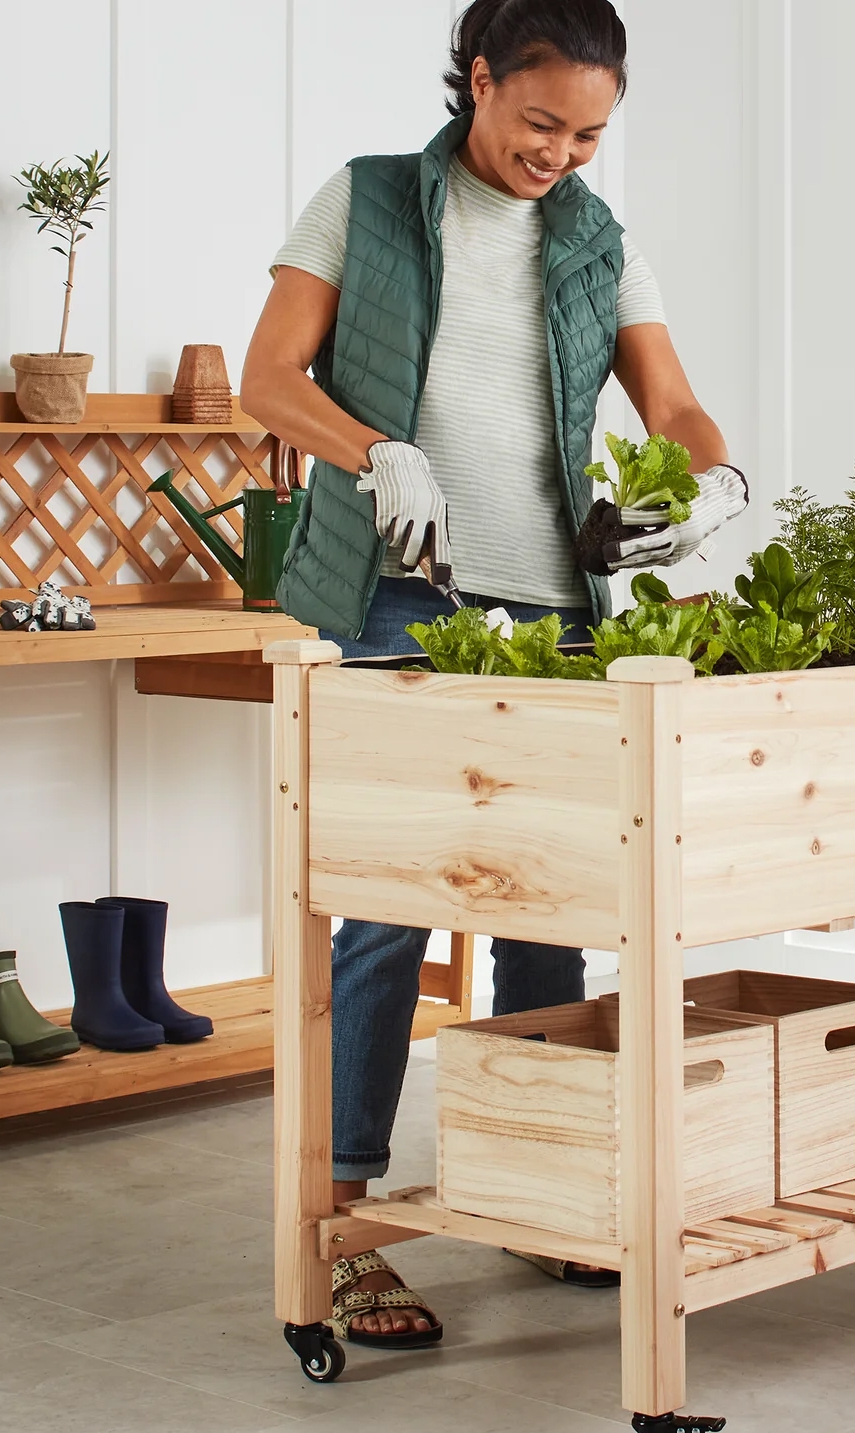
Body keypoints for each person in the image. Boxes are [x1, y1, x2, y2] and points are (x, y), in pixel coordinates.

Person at [241, 0, 747, 1350]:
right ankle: (342, 1223)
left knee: (547, 910)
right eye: (540, 123)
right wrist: (374, 452)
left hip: (556, 608)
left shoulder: (593, 238)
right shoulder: (369, 202)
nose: (561, 153)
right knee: (389, 912)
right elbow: (269, 378)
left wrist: (706, 484)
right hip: (404, 598)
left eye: (588, 133)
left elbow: (678, 408)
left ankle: (543, 1193)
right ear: (479, 82)